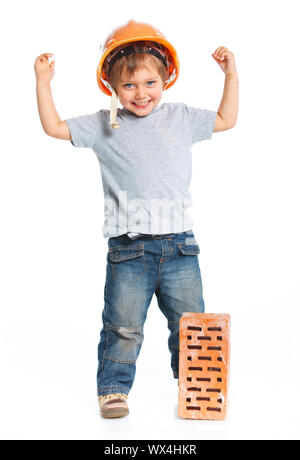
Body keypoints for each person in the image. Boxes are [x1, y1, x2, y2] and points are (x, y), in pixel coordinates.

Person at [34, 20, 239, 419]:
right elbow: (53, 127)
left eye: (149, 83)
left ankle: (196, 389)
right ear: (111, 86)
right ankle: (113, 391)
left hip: (181, 245)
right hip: (129, 249)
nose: (140, 94)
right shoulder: (102, 123)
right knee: (123, 326)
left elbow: (227, 119)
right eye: (129, 86)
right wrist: (44, 82)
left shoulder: (181, 117)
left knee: (190, 324)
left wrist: (231, 75)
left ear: (166, 79)